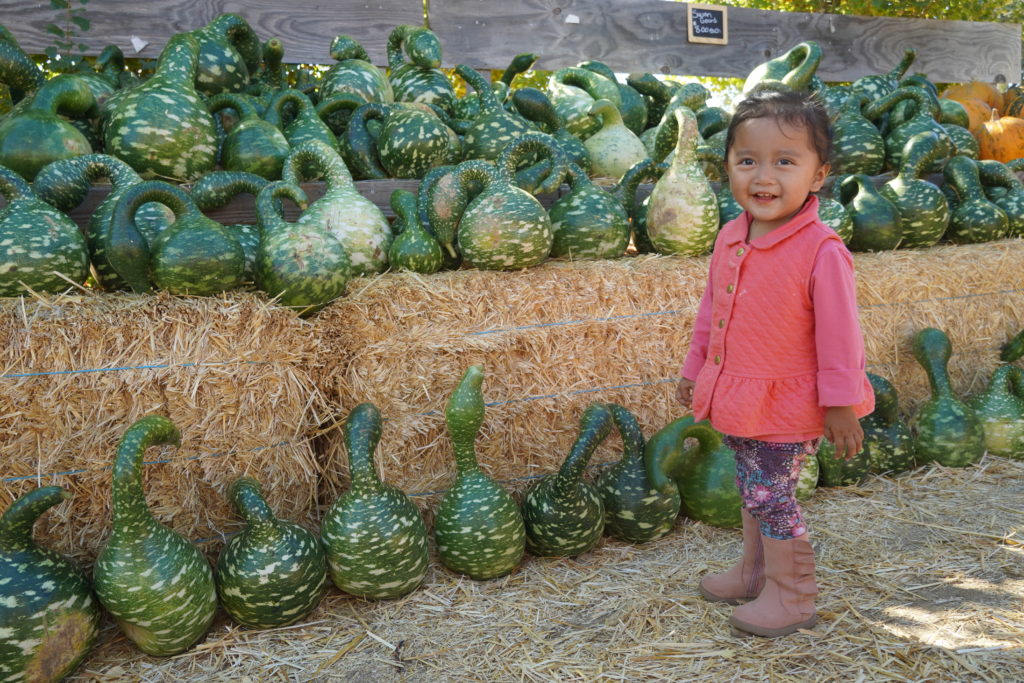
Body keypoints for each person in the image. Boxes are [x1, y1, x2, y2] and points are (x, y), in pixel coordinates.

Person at [676, 86, 874, 638]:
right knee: (751, 485)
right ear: (728, 169)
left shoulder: (821, 249)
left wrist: (840, 403)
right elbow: (712, 312)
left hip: (789, 399)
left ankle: (792, 596)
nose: (764, 177)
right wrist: (697, 372)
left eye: (785, 162)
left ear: (817, 175)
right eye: (748, 161)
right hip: (739, 392)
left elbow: (842, 335)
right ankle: (755, 571)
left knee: (771, 492)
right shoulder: (730, 236)